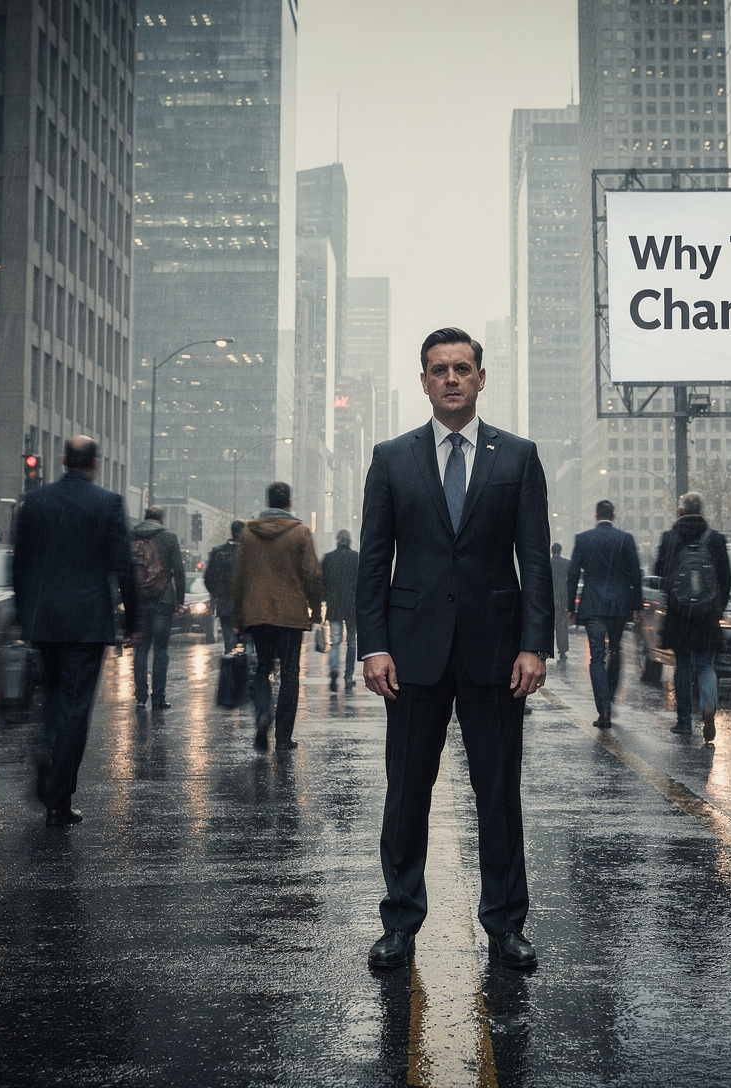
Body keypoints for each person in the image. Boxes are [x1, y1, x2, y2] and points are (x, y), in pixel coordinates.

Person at [361, 327, 552, 973]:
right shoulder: (392, 458)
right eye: (439, 369)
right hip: (411, 654)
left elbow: (534, 558)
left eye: (462, 368)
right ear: (423, 381)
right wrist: (373, 646)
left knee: (498, 793)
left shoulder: (518, 457)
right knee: (406, 793)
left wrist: (534, 645)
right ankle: (399, 923)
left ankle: (506, 925)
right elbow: (374, 559)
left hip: (496, 654)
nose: (451, 378)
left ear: (480, 378)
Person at [12, 436, 139, 827]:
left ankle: (47, 747)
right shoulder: (108, 503)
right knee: (75, 707)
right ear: (95, 464)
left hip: (45, 619)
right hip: (86, 620)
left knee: (51, 694)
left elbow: (19, 563)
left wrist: (24, 615)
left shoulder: (35, 501)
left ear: (63, 460)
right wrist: (133, 621)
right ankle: (58, 798)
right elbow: (124, 567)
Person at [230, 482, 323, 749]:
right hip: (290, 614)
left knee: (263, 668)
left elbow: (239, 578)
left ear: (268, 501)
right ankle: (283, 737)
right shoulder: (300, 532)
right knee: (290, 674)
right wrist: (315, 610)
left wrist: (238, 618)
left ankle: (262, 713)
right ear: (289, 503)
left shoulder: (249, 533)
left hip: (258, 614)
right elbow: (313, 575)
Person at [654, 492, 730, 742]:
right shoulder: (716, 539)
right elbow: (726, 578)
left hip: (680, 615)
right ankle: (708, 707)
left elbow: (659, 572)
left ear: (681, 511)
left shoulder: (669, 538)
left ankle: (684, 722)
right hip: (707, 615)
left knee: (683, 666)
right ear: (701, 510)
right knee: (705, 666)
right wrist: (717, 607)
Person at [565, 499, 643, 728]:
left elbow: (573, 574)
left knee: (597, 657)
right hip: (619, 606)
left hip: (593, 605)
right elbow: (636, 573)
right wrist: (637, 606)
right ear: (613, 516)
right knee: (615, 651)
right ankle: (610, 695)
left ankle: (604, 709)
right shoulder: (625, 539)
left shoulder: (583, 539)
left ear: (596, 516)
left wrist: (571, 608)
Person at [130, 507, 187, 709]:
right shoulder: (169, 537)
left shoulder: (131, 535)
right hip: (163, 598)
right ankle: (159, 697)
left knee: (141, 648)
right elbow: (178, 570)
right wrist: (179, 600)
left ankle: (140, 697)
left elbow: (125, 568)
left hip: (138, 600)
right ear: (161, 520)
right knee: (161, 649)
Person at [321, 528, 359, 691]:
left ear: (337, 540)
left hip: (334, 604)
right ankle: (348, 676)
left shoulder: (329, 558)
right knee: (351, 642)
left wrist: (324, 598)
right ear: (349, 541)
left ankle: (334, 668)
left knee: (335, 641)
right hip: (351, 605)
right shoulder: (356, 558)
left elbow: (322, 581)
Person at [203, 520, 245, 651]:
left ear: (232, 532)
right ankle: (246, 661)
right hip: (246, 605)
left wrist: (216, 594)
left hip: (225, 603)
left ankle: (231, 660)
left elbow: (208, 578)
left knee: (229, 641)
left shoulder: (218, 551)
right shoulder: (251, 552)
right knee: (248, 641)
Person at [549, 542, 571, 664]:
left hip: (550, 598)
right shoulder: (566, 564)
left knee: (546, 625)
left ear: (552, 551)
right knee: (562, 627)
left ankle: (543, 651)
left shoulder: (548, 564)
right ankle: (562, 651)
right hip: (562, 599)